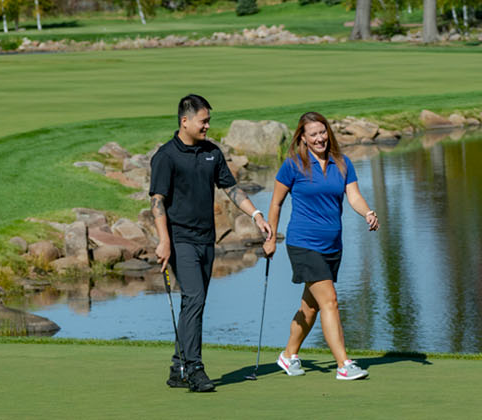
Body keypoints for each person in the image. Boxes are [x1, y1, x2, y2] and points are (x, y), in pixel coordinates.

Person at [150, 94, 271, 392]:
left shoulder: (211, 153)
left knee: (194, 304)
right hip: (180, 240)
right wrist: (164, 241)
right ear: (185, 121)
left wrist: (256, 214)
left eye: (208, 121)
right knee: (194, 299)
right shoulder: (166, 156)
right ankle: (195, 369)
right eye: (203, 121)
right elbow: (157, 202)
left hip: (206, 240)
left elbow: (231, 189)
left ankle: (177, 367)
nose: (207, 126)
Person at [262, 111, 379, 381]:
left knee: (311, 307)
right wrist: (271, 238)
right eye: (313, 134)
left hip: (332, 245)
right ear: (302, 137)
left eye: (322, 132)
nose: (319, 138)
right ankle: (343, 364)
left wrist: (368, 212)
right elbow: (276, 202)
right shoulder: (293, 165)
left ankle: (288, 355)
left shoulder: (342, 162)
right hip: (303, 244)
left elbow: (354, 196)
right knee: (330, 301)